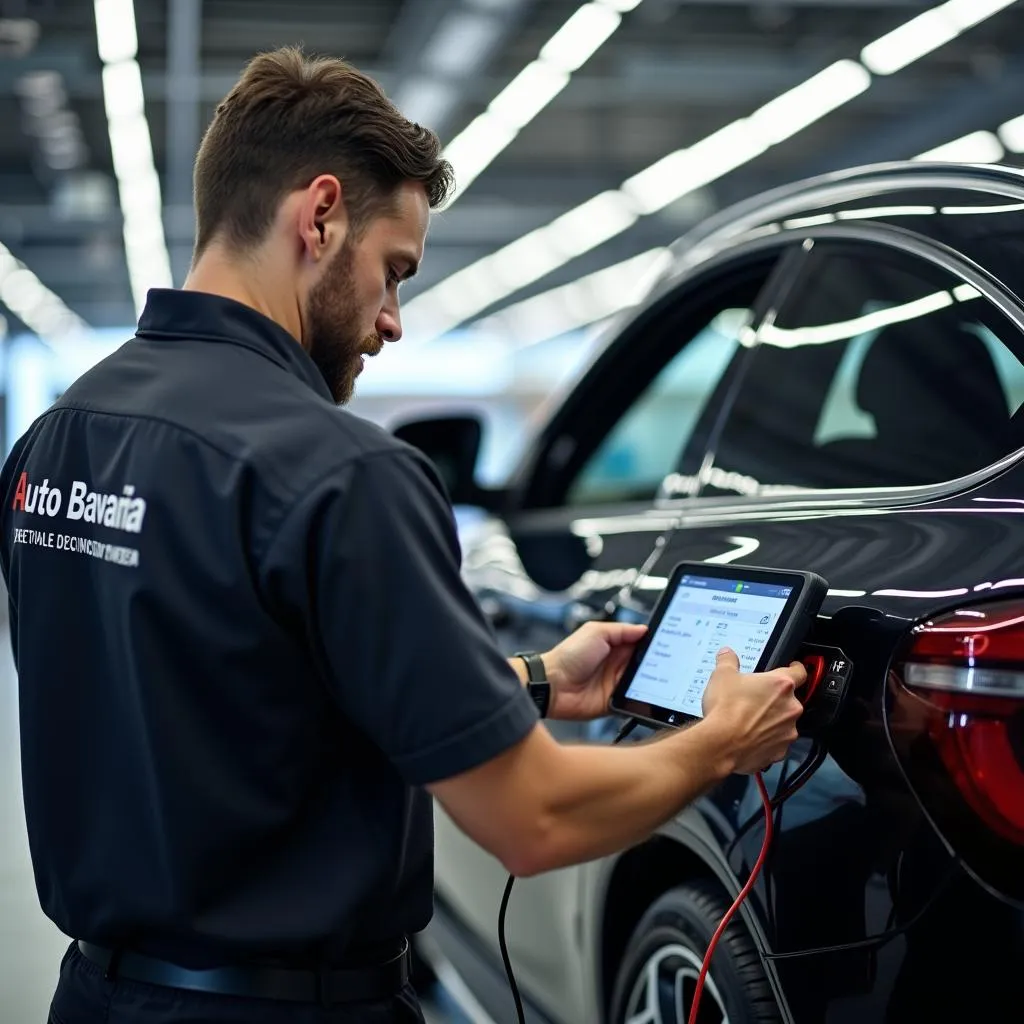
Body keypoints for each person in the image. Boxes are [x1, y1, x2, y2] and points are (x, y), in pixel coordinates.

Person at [0, 47, 805, 1024]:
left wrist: (538, 680)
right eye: (394, 272)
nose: (390, 321)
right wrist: (718, 745)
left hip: (94, 997)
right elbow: (532, 818)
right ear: (320, 214)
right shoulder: (343, 473)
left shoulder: (60, 439)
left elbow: (228, 686)